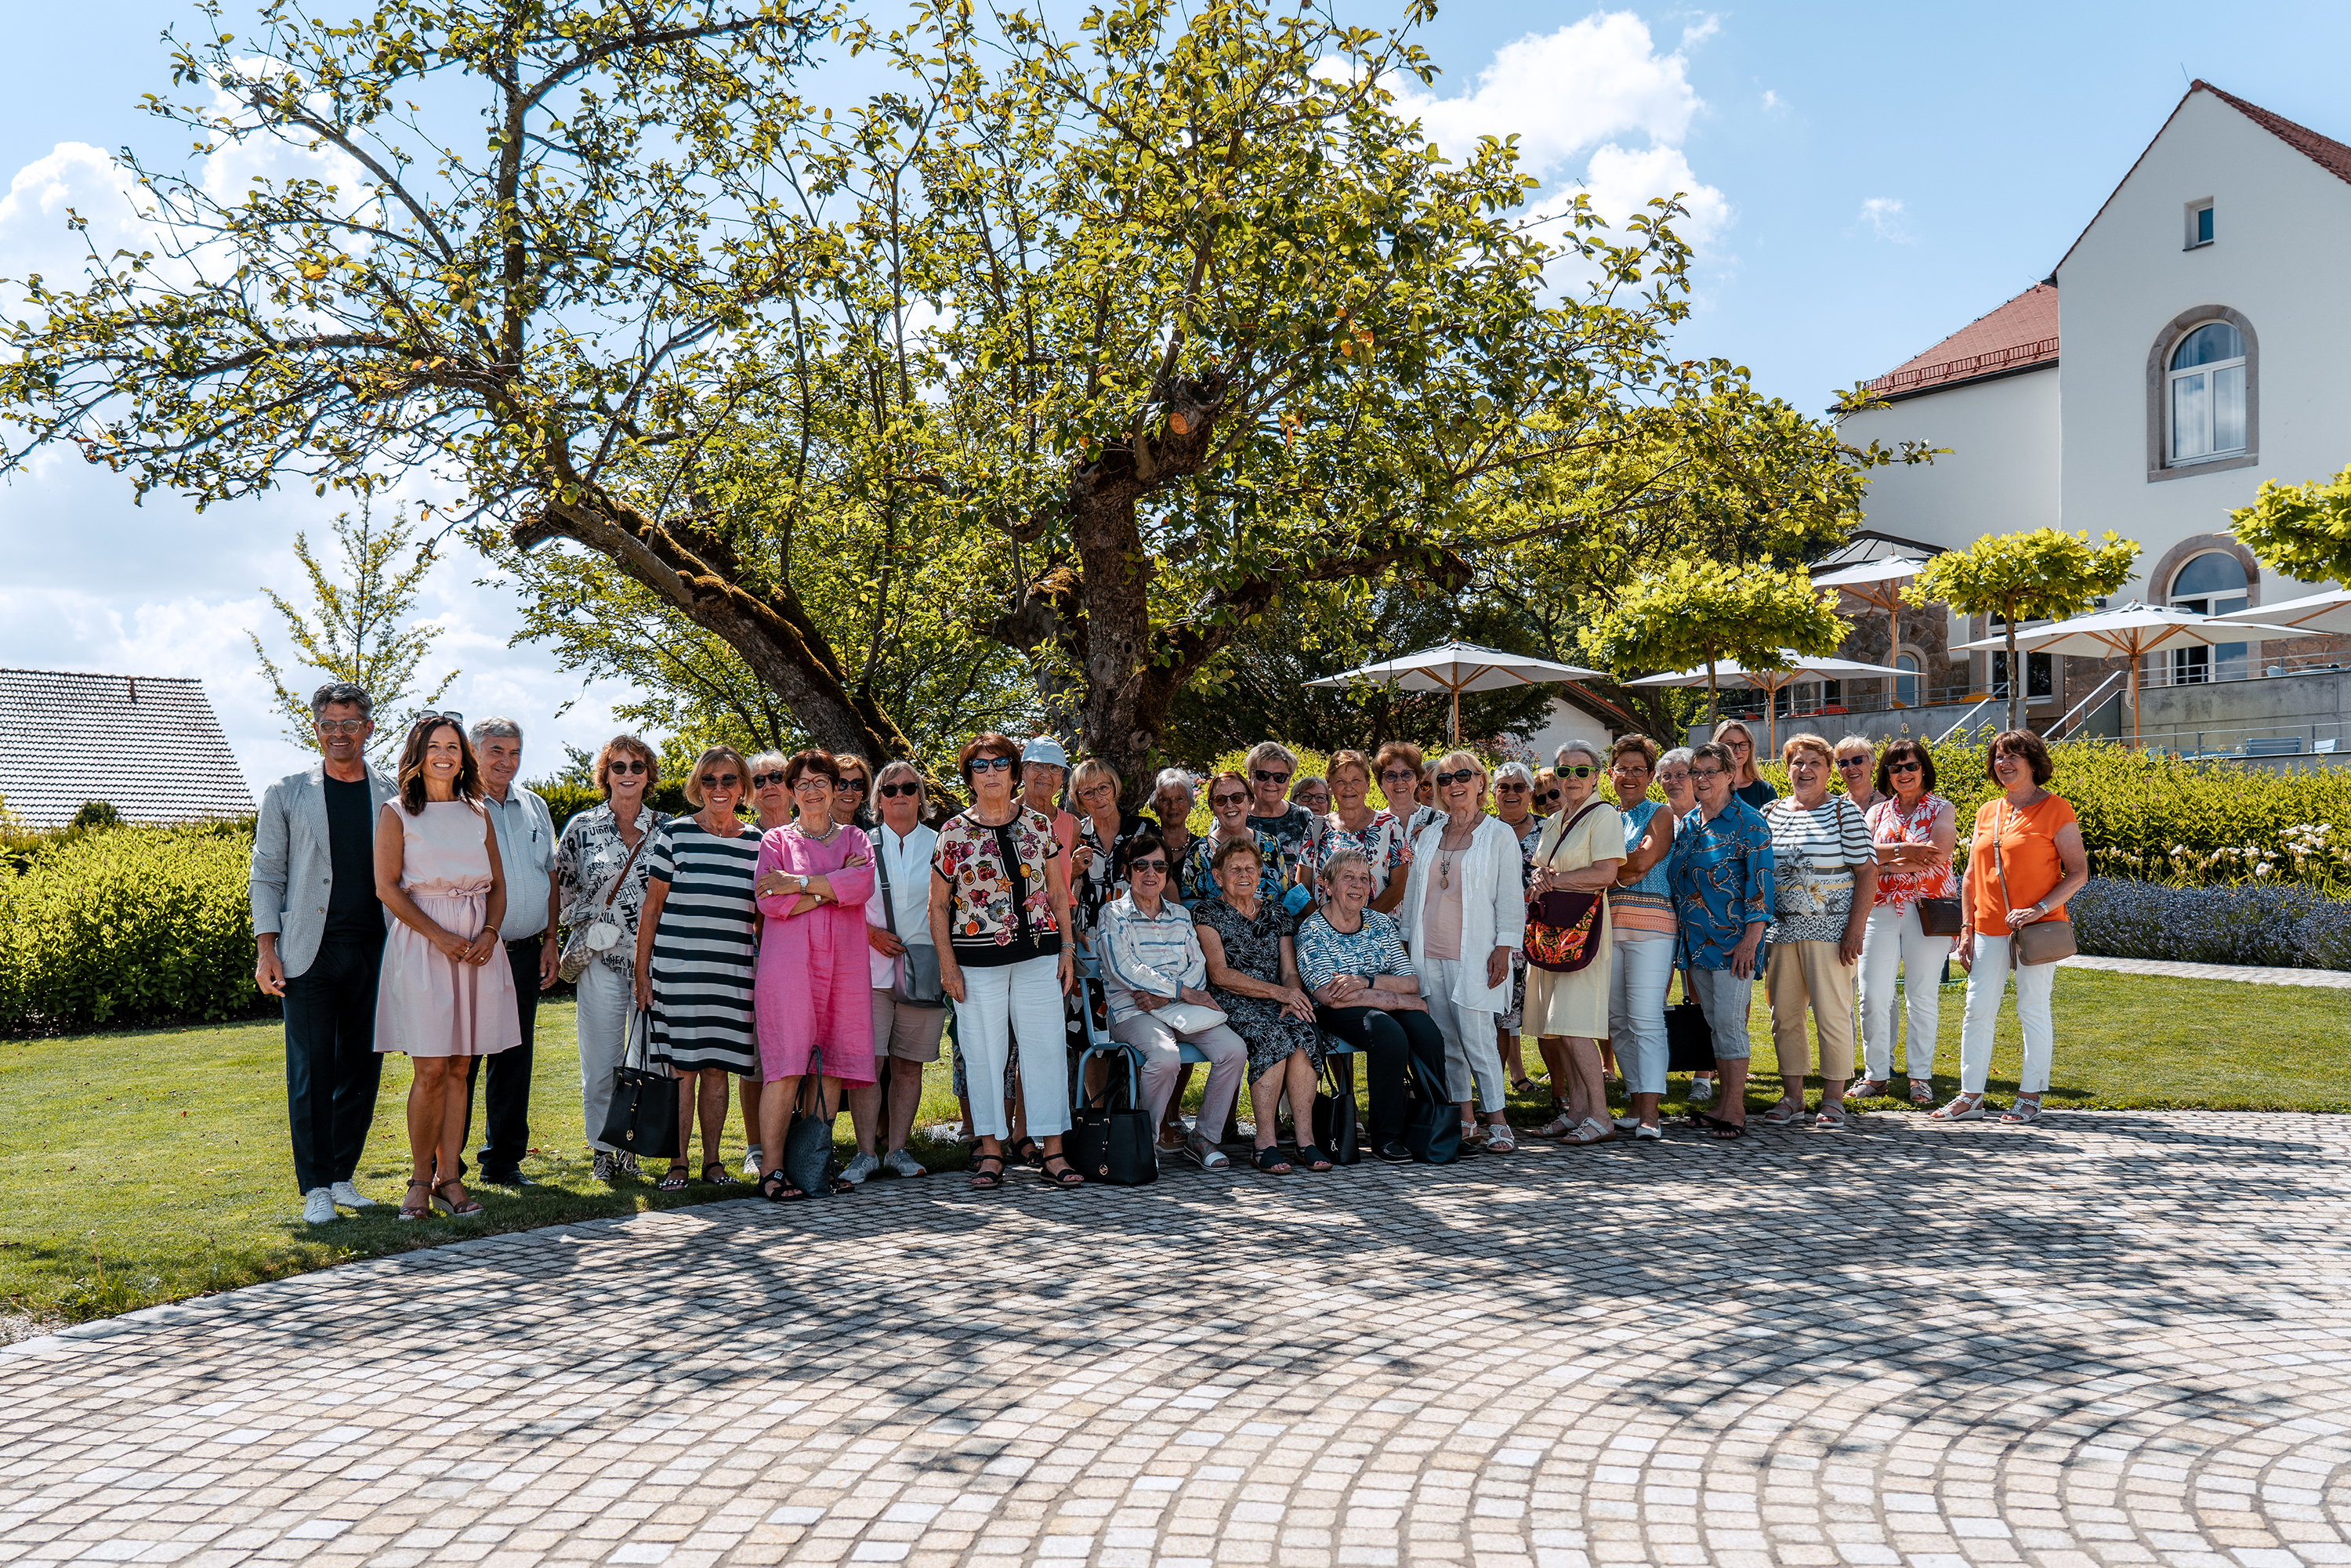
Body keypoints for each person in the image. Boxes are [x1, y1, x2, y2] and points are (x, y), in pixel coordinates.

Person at [250, 681, 395, 1224]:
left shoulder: (392, 794)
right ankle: (314, 1185)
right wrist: (267, 948)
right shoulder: (286, 793)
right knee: (311, 1069)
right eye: (329, 724)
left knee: (362, 1066)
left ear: (368, 729)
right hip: (307, 952)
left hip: (376, 949)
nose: (339, 733)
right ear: (316, 728)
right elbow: (266, 874)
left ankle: (340, 1174)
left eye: (349, 724)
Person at [371, 715, 522, 1220]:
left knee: (461, 1066)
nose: (445, 755)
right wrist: (439, 935)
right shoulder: (396, 812)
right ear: (418, 754)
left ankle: (449, 1179)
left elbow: (498, 886)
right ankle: (417, 1180)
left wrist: (488, 933)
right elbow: (386, 887)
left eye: (453, 747)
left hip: (478, 942)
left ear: (464, 756)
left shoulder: (478, 812)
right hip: (423, 941)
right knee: (431, 1066)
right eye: (434, 747)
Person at [931, 731, 1081, 1190]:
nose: (991, 772)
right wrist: (947, 965)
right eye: (980, 766)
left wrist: (1068, 949)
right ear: (970, 777)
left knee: (1046, 1051)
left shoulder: (1038, 826)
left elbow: (1058, 893)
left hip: (1039, 956)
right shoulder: (953, 832)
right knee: (983, 1054)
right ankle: (992, 1151)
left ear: (1014, 773)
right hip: (976, 963)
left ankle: (1052, 1152)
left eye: (1000, 764)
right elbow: (938, 906)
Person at [1936, 730, 2088, 1124]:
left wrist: (2038, 909)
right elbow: (1971, 874)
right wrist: (1966, 927)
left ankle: (2030, 1094)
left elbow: (2078, 873)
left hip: (2038, 929)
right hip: (1987, 927)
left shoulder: (2057, 810)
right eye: (1998, 757)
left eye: (2013, 755)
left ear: (2034, 761)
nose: (2003, 763)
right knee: (1976, 1010)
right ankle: (1971, 1095)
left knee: (2032, 1008)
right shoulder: (1988, 810)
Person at [634, 744, 761, 1191]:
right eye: (709, 780)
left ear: (743, 786)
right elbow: (651, 909)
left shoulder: (759, 844)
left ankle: (713, 1162)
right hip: (679, 972)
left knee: (718, 1070)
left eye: (729, 780)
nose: (719, 789)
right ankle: (677, 1163)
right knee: (681, 1070)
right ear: (697, 787)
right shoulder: (676, 834)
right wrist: (641, 973)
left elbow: (762, 918)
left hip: (733, 974)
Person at [750, 749, 874, 1199]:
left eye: (823, 781)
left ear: (835, 787)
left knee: (832, 1065)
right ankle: (773, 1171)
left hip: (843, 968)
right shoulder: (776, 842)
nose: (814, 790)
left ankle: (814, 1164)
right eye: (803, 784)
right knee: (785, 1068)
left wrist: (800, 884)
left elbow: (861, 887)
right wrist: (833, 887)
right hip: (789, 968)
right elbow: (769, 901)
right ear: (792, 792)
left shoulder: (856, 839)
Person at [1397, 751, 1527, 1152]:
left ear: (1480, 783)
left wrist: (1504, 948)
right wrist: (1405, 946)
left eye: (1463, 776)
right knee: (1445, 1041)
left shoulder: (1499, 834)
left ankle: (1499, 1122)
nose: (1454, 784)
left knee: (1479, 1039)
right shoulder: (1429, 834)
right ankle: (1465, 1120)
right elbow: (1414, 892)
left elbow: (1510, 898)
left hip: (1474, 952)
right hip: (1427, 952)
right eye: (1444, 779)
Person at [1098, 829, 1248, 1171]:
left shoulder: (1180, 915)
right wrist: (1178, 991)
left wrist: (1169, 998)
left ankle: (1204, 1138)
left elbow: (1198, 967)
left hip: (1180, 1010)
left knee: (1234, 1051)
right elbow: (1125, 969)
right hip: (1133, 1011)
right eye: (1142, 865)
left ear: (1167, 872)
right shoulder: (1113, 915)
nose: (1151, 873)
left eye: (1160, 866)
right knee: (1166, 1059)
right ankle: (1144, 1141)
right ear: (1127, 871)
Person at [458, 718, 559, 1190]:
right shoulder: (455, 807)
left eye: (515, 752)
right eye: (496, 751)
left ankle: (503, 1161)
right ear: (474, 752)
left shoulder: (535, 806)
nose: (506, 761)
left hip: (524, 951)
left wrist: (551, 940)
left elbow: (550, 878)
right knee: (463, 1058)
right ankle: (446, 1163)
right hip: (473, 953)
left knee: (514, 1058)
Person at [1296, 851, 1447, 1164]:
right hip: (1333, 1012)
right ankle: (1386, 1138)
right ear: (1327, 886)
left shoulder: (1379, 923)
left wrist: (1366, 981)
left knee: (1426, 1032)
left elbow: (1410, 982)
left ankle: (1435, 1130)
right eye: (1348, 877)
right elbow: (1330, 995)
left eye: (1364, 879)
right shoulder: (1313, 930)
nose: (1358, 885)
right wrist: (1399, 1000)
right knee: (1388, 1034)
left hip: (1373, 998)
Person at [555, 735, 660, 1184]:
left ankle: (630, 1147)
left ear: (649, 776)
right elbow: (559, 893)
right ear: (605, 775)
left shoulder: (667, 828)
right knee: (600, 1061)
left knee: (644, 1060)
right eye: (618, 767)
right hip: (600, 957)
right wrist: (597, 919)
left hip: (653, 959)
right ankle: (601, 1149)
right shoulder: (582, 827)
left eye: (637, 766)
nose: (628, 774)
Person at [1758, 735, 1877, 1128]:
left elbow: (1867, 872)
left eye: (1814, 763)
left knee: (1832, 1014)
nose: (1804, 770)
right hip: (1781, 930)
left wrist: (1855, 929)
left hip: (1831, 930)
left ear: (1828, 771)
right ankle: (1793, 1097)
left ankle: (1833, 1097)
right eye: (1797, 762)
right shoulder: (1770, 812)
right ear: (1787, 767)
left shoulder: (1844, 811)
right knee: (1784, 1015)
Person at [1192, 837, 1326, 1173]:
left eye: (1250, 868)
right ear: (1218, 876)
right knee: (1272, 1036)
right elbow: (1220, 974)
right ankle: (1264, 1142)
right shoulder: (1207, 912)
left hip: (1274, 1000)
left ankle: (1304, 1140)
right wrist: (1278, 994)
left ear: (1260, 873)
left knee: (1303, 1032)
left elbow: (1289, 971)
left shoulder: (1276, 913)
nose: (1243, 874)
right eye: (1234, 868)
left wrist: (1293, 996)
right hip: (1229, 1003)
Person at [1665, 740, 1770, 1139]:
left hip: (1733, 944)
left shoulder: (1749, 822)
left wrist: (1751, 939)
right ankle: (1722, 1102)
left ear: (1730, 775)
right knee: (1712, 1023)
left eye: (1711, 771)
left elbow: (1761, 884)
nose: (1703, 779)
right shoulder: (1691, 822)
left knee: (1729, 1023)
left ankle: (1735, 1108)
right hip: (1696, 942)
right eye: (1697, 772)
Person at [1523, 742, 1624, 1147]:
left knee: (1575, 1022)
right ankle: (1578, 1112)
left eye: (1582, 772)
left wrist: (1554, 880)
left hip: (1584, 930)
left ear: (1597, 777)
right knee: (1559, 1026)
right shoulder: (1555, 820)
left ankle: (1601, 1116)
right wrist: (1538, 881)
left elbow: (1605, 872)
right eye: (1564, 772)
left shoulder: (1604, 816)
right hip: (1552, 931)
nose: (1573, 780)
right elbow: (1539, 869)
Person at [1849, 738, 1957, 1108]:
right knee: (1872, 995)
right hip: (1878, 907)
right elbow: (1860, 856)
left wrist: (1885, 862)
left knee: (1921, 994)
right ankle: (1876, 1075)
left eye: (1911, 766)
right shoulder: (1877, 813)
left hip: (1927, 909)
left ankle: (1920, 1077)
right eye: (1896, 768)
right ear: (1888, 774)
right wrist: (1906, 853)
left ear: (1923, 769)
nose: (1904, 773)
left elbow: (1938, 856)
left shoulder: (1942, 808)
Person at [857, 760, 944, 1179]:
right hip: (869, 969)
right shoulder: (860, 843)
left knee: (909, 1065)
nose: (900, 796)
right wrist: (869, 932)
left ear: (920, 797)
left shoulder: (942, 841)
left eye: (909, 788)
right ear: (877, 800)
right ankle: (864, 1153)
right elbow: (841, 902)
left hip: (924, 969)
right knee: (868, 1065)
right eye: (890, 790)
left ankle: (898, 1151)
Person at [1603, 736, 1675, 1140]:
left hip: (1652, 928)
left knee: (1646, 1017)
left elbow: (1644, 863)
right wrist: (1620, 871)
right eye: (1622, 768)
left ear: (1650, 776)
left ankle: (1651, 1112)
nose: (1629, 776)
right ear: (1611, 773)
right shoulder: (1605, 817)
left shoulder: (1660, 814)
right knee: (1618, 1020)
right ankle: (1634, 1101)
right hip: (1609, 927)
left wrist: (1603, 870)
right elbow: (1626, 870)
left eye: (1638, 769)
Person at [736, 750, 799, 1176]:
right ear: (749, 794)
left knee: (800, 1054)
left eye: (777, 776)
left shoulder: (808, 836)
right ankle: (757, 1146)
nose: (769, 785)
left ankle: (799, 1143)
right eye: (759, 781)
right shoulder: (740, 839)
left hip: (802, 961)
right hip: (750, 960)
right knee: (756, 1058)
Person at [1656, 746, 1715, 1105]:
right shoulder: (1654, 817)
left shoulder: (1708, 817)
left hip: (1701, 922)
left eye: (1682, 774)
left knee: (1701, 995)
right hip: (1660, 920)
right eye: (1668, 776)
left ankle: (1703, 1075)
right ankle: (1653, 1070)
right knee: (1652, 996)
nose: (1675, 781)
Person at [1490, 761, 1547, 1100]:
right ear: (1493, 793)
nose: (1511, 793)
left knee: (1548, 1018)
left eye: (1519, 787)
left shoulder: (1550, 829)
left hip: (1544, 935)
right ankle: (1494, 1095)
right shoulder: (1483, 831)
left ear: (1530, 793)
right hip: (1498, 937)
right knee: (1499, 1019)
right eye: (1504, 787)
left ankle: (1561, 1093)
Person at [1313, 749, 1410, 914]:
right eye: (1340, 781)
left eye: (1356, 780)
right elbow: (1302, 884)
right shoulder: (1316, 826)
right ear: (1330, 786)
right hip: (1325, 936)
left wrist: (1359, 926)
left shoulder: (1390, 826)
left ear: (1367, 784)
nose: (1348, 787)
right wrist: (1325, 925)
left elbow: (1399, 887)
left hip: (1376, 934)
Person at [1070, 758, 1150, 938]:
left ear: (1114, 789)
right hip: (1090, 933)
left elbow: (1165, 881)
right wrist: (1072, 872)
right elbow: (1058, 890)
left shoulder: (1144, 830)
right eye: (1088, 793)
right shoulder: (1076, 835)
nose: (1098, 798)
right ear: (1080, 801)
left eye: (1103, 788)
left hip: (1140, 928)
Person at [1183, 770, 1284, 908]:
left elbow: (1285, 897)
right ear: (1212, 807)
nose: (1230, 805)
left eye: (1237, 797)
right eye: (1221, 800)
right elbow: (1190, 908)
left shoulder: (1271, 845)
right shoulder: (1199, 852)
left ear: (1250, 801)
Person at [1244, 741, 1317, 904]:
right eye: (1263, 775)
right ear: (1250, 775)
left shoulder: (1303, 817)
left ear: (1289, 779)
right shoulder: (1235, 817)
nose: (1271, 783)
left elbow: (1316, 869)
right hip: (1245, 914)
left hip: (1297, 913)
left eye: (1279, 777)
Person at [1020, 736, 1081, 900]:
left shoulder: (1072, 826)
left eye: (1055, 768)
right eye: (1038, 765)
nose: (1045, 774)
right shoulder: (1003, 815)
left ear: (1062, 778)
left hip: (1059, 920)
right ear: (1022, 771)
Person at [1148, 768, 1200, 891]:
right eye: (1165, 800)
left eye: (1179, 799)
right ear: (1155, 806)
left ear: (1189, 805)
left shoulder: (1202, 849)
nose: (1173, 806)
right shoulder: (1146, 848)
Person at [1715, 719, 1777, 812]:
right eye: (1730, 744)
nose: (1737, 751)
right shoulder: (1707, 788)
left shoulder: (1764, 790)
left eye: (1743, 744)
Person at [1834, 735, 1882, 817]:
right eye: (1843, 763)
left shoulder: (1890, 806)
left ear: (1873, 764)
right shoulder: (1833, 808)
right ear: (1839, 770)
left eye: (1857, 760)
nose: (1851, 767)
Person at [832, 751, 876, 831]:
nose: (849, 792)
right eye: (841, 784)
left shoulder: (873, 832)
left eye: (857, 784)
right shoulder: (810, 832)